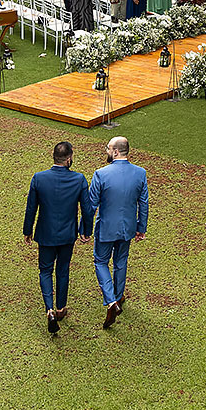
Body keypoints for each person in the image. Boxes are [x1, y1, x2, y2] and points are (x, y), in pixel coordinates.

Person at [23, 141, 93, 334]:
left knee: (45, 271)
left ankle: (49, 309)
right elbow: (87, 209)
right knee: (62, 270)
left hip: (45, 234)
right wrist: (87, 230)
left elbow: (31, 209)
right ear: (69, 158)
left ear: (54, 156)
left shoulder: (39, 178)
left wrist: (27, 231)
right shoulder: (79, 179)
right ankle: (61, 308)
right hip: (67, 235)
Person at [88, 137, 149, 329]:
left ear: (115, 152)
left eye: (108, 148)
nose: (106, 151)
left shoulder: (100, 174)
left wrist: (84, 229)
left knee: (100, 261)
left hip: (106, 228)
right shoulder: (140, 173)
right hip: (127, 228)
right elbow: (144, 203)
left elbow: (91, 205)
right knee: (121, 262)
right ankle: (119, 296)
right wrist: (141, 227)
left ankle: (111, 300)